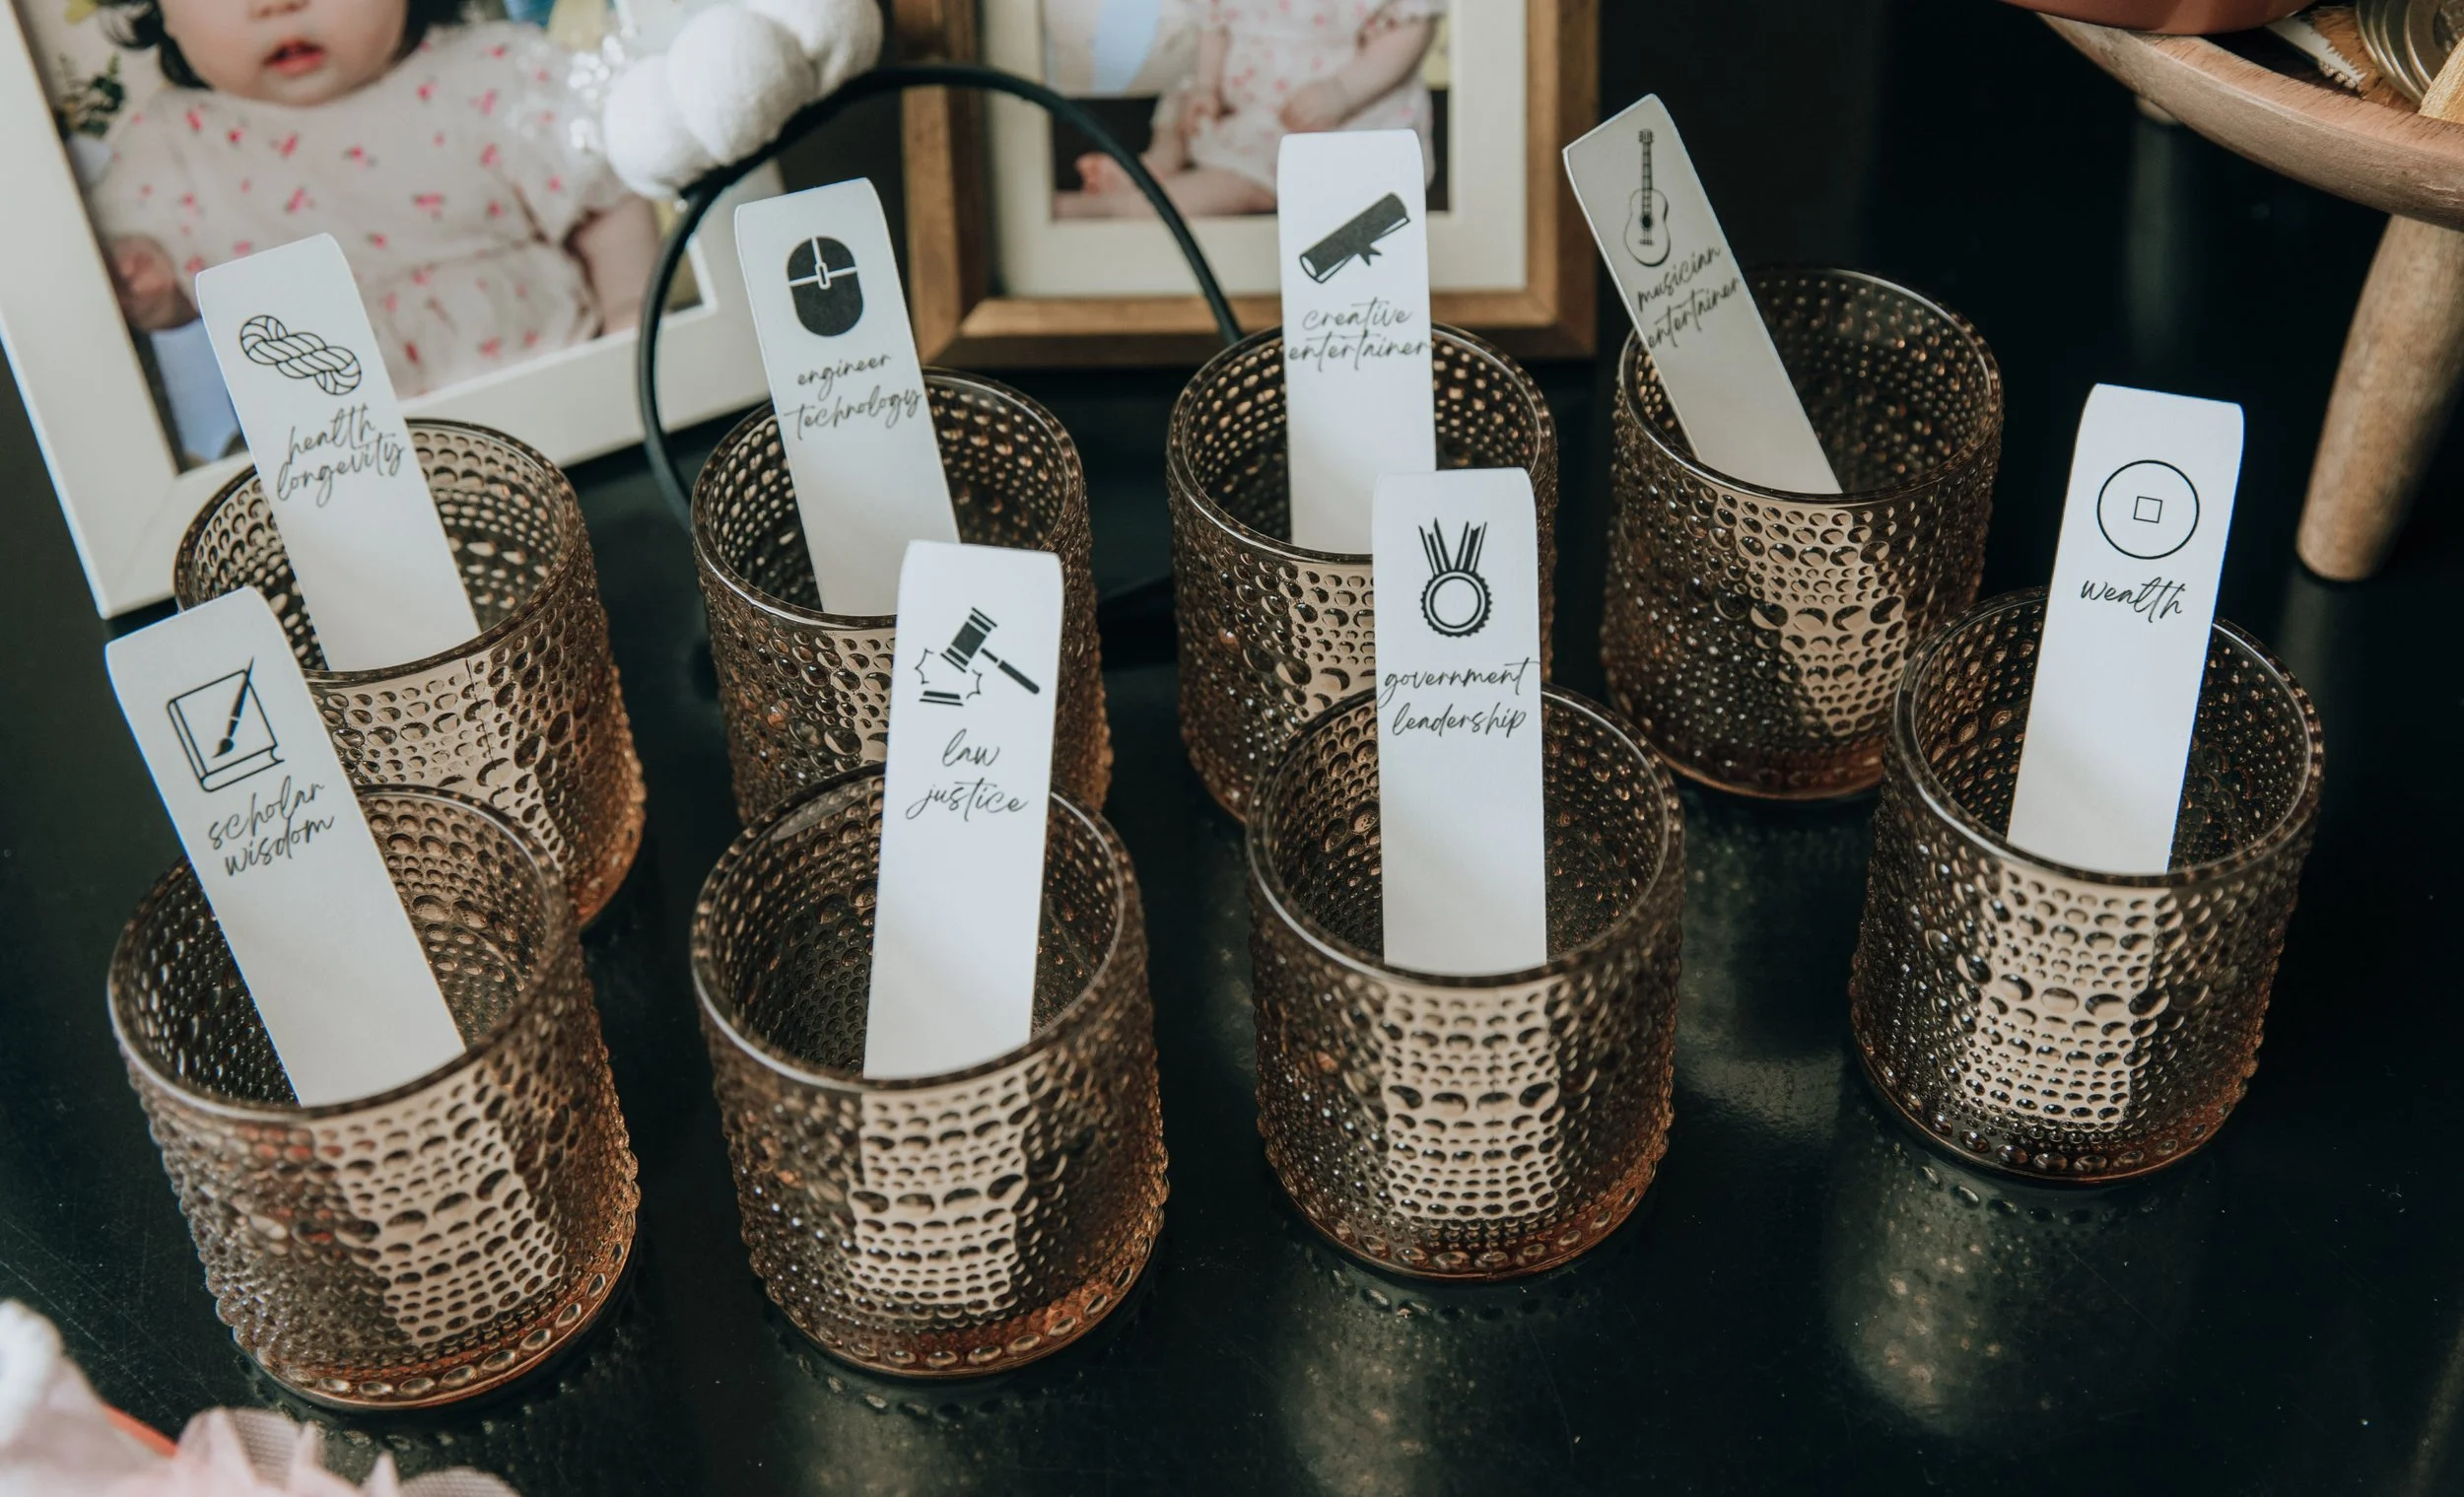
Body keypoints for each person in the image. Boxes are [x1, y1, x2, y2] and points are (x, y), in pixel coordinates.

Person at [91, 0, 659, 398]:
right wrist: (146, 285)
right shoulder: (174, 148)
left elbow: (604, 196)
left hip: (566, 396)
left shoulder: (490, 75)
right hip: (347, 470)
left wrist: (629, 312)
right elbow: (153, 290)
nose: (278, 5)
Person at [1060, 0, 1440, 220]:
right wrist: (1207, 85)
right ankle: (1158, 164)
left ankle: (1126, 209)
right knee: (1182, 100)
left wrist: (1342, 91)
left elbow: (1409, 28)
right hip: (1238, 99)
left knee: (1240, 182)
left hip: (1321, 119)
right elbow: (1216, 25)